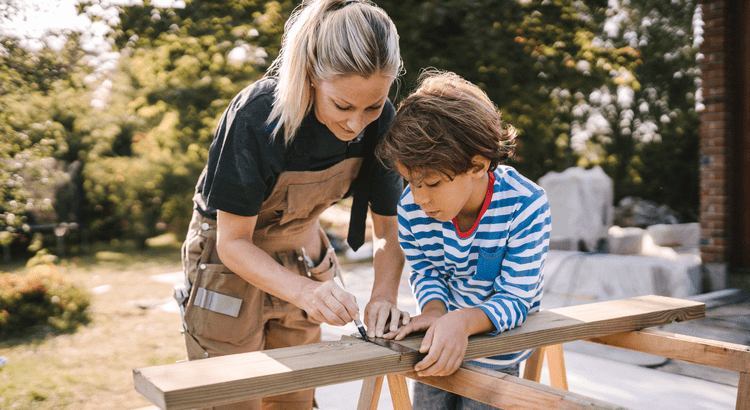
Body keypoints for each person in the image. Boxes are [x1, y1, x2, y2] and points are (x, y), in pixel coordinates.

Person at [177, 1, 409, 409]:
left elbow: (388, 234)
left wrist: (385, 296)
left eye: (372, 106)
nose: (358, 124)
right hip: (226, 260)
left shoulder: (382, 121)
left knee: (296, 399)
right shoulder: (257, 116)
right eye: (343, 106)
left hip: (302, 254)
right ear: (312, 76)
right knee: (234, 398)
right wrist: (306, 293)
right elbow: (233, 242)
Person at [375, 70, 552, 410]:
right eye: (411, 182)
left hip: (496, 346)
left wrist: (461, 321)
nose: (421, 198)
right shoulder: (411, 208)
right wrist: (435, 310)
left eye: (433, 183)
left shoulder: (526, 205)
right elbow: (426, 270)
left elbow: (516, 298)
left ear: (478, 165)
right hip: (438, 336)